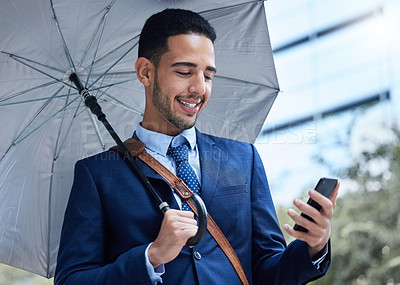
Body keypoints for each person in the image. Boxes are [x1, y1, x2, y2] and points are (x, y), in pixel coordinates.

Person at [55, 8, 339, 285]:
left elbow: (268, 270)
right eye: (184, 72)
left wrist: (313, 247)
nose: (200, 88)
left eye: (208, 75)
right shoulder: (97, 175)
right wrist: (150, 256)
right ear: (145, 72)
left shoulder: (244, 159)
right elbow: (71, 280)